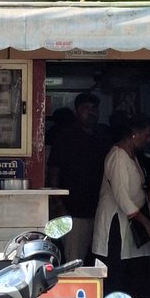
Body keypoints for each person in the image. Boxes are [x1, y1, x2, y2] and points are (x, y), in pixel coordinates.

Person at [92, 114, 150, 298]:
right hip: (116, 224)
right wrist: (146, 223)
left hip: (131, 224)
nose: (148, 139)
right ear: (134, 134)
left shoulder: (132, 155)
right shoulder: (118, 157)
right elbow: (122, 196)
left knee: (132, 272)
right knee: (115, 273)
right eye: (145, 135)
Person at [46, 92, 112, 265]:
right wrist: (59, 205)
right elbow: (53, 172)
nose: (91, 112)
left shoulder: (103, 137)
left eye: (94, 108)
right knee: (74, 262)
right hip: (72, 212)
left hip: (101, 212)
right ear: (77, 111)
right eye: (85, 108)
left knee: (99, 261)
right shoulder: (65, 137)